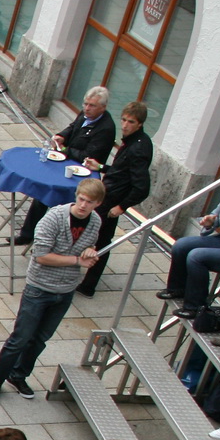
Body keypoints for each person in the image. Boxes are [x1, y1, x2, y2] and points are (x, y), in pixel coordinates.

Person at [0, 179, 105, 401]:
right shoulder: (54, 218)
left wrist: (89, 250)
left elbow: (90, 243)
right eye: (81, 199)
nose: (83, 205)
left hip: (66, 289)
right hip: (39, 288)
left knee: (40, 339)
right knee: (20, 338)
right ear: (76, 196)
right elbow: (41, 255)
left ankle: (19, 375)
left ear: (97, 203)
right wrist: (78, 260)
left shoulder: (95, 222)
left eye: (89, 202)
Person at [14, 86, 116, 245]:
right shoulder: (85, 114)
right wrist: (62, 136)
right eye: (85, 104)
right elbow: (73, 127)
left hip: (83, 173)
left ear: (103, 108)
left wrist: (65, 150)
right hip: (66, 163)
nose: (87, 108)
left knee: (66, 206)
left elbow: (88, 156)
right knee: (43, 193)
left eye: (92, 106)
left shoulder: (106, 129)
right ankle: (28, 234)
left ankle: (58, 241)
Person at [76, 101, 153, 297]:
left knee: (99, 240)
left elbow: (141, 187)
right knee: (100, 238)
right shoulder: (131, 142)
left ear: (140, 124)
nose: (125, 125)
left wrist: (122, 206)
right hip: (109, 195)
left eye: (131, 122)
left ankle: (87, 283)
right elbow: (122, 172)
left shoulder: (138, 148)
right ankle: (87, 283)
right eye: (124, 120)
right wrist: (101, 167)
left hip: (111, 201)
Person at [166, 165, 220, 319]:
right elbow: (217, 216)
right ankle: (177, 289)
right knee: (181, 245)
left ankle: (195, 307)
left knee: (197, 256)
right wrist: (210, 221)